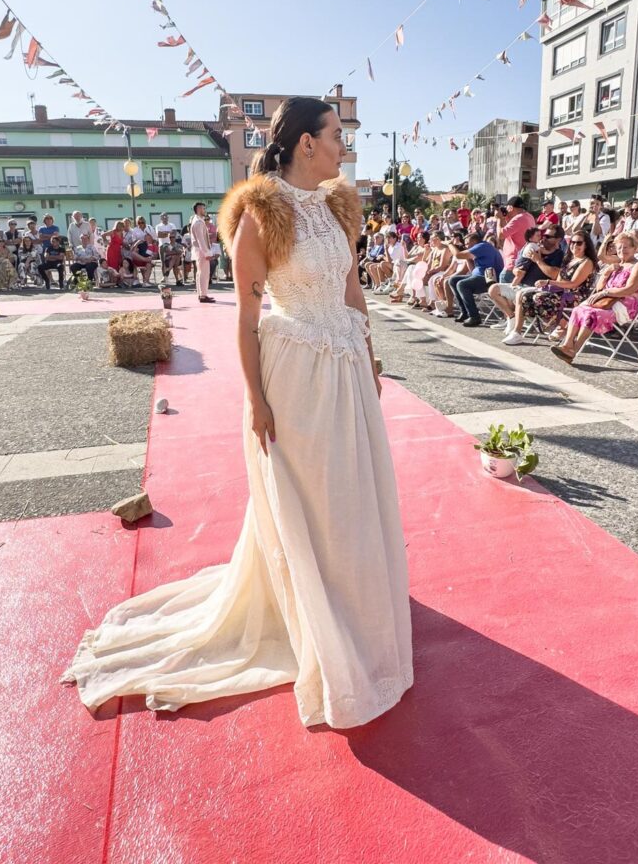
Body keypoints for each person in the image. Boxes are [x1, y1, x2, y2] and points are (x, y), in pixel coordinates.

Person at [61, 96, 413, 729]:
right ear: (307, 142)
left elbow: (352, 288)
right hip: (297, 374)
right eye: (337, 133)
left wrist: (369, 352)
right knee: (313, 496)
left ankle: (353, 604)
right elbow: (249, 318)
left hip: (347, 369)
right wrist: (256, 399)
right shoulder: (261, 212)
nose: (344, 143)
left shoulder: (337, 205)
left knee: (351, 492)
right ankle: (316, 619)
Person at [551, 232, 638, 363]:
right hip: (606, 302)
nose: (622, 251)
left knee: (590, 314)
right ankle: (567, 346)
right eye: (619, 247)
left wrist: (604, 293)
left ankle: (574, 350)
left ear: (634, 248)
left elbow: (628, 290)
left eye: (626, 247)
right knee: (578, 309)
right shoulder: (617, 264)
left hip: (624, 306)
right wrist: (607, 272)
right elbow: (599, 288)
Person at [508, 230, 597, 344]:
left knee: (538, 298)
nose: (574, 245)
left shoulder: (586, 262)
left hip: (574, 297)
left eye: (579, 243)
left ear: (586, 245)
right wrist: (546, 286)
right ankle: (517, 332)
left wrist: (549, 282)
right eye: (572, 242)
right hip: (562, 292)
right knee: (524, 295)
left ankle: (559, 326)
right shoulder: (569, 259)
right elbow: (560, 278)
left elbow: (573, 284)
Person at [487, 225, 566, 336]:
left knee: (517, 294)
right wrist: (516, 271)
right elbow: (518, 265)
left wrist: (538, 261)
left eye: (548, 236)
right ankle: (512, 317)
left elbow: (554, 274)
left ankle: (516, 329)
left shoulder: (559, 255)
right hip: (520, 285)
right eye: (543, 235)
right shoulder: (533, 247)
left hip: (536, 289)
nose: (543, 238)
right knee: (493, 289)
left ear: (558, 239)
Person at [448, 232, 504, 326]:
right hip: (479, 276)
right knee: (453, 280)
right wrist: (467, 258)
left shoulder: (482, 246)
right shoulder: (479, 249)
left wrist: (450, 244)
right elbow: (473, 270)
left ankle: (474, 317)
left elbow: (458, 255)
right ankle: (465, 312)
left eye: (467, 243)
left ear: (474, 241)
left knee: (462, 284)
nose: (466, 246)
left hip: (489, 279)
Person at [498, 197, 536, 282]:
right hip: (522, 262)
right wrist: (506, 219)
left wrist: (499, 219)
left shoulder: (518, 219)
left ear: (511, 208)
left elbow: (500, 235)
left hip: (513, 263)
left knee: (502, 291)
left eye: (507, 207)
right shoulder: (529, 216)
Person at [190, 201, 215, 303]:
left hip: (198, 250)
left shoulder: (197, 220)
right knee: (204, 273)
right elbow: (201, 240)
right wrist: (207, 253)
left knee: (200, 273)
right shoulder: (198, 222)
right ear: (199, 209)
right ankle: (203, 295)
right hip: (201, 251)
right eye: (203, 208)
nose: (204, 210)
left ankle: (201, 294)